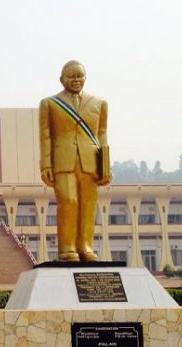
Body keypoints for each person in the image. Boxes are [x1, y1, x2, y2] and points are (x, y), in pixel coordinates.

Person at [39, 60, 111, 262]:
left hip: (90, 162)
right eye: (71, 76)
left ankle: (85, 247)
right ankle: (68, 248)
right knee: (69, 202)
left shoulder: (99, 103)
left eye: (80, 76)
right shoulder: (50, 103)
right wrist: (45, 164)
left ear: (85, 78)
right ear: (62, 79)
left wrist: (105, 165)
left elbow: (102, 134)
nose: (76, 80)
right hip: (63, 160)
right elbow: (46, 136)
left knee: (88, 204)